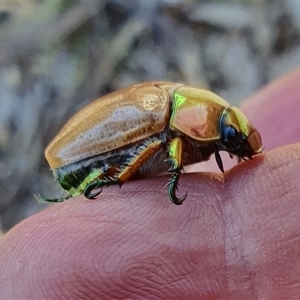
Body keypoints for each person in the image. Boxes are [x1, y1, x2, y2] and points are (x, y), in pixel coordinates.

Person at [1, 69, 300, 299]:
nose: (232, 148)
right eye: (230, 140)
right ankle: (105, 179)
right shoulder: (164, 115)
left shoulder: (184, 114)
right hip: (81, 159)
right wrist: (162, 175)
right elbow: (165, 145)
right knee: (159, 140)